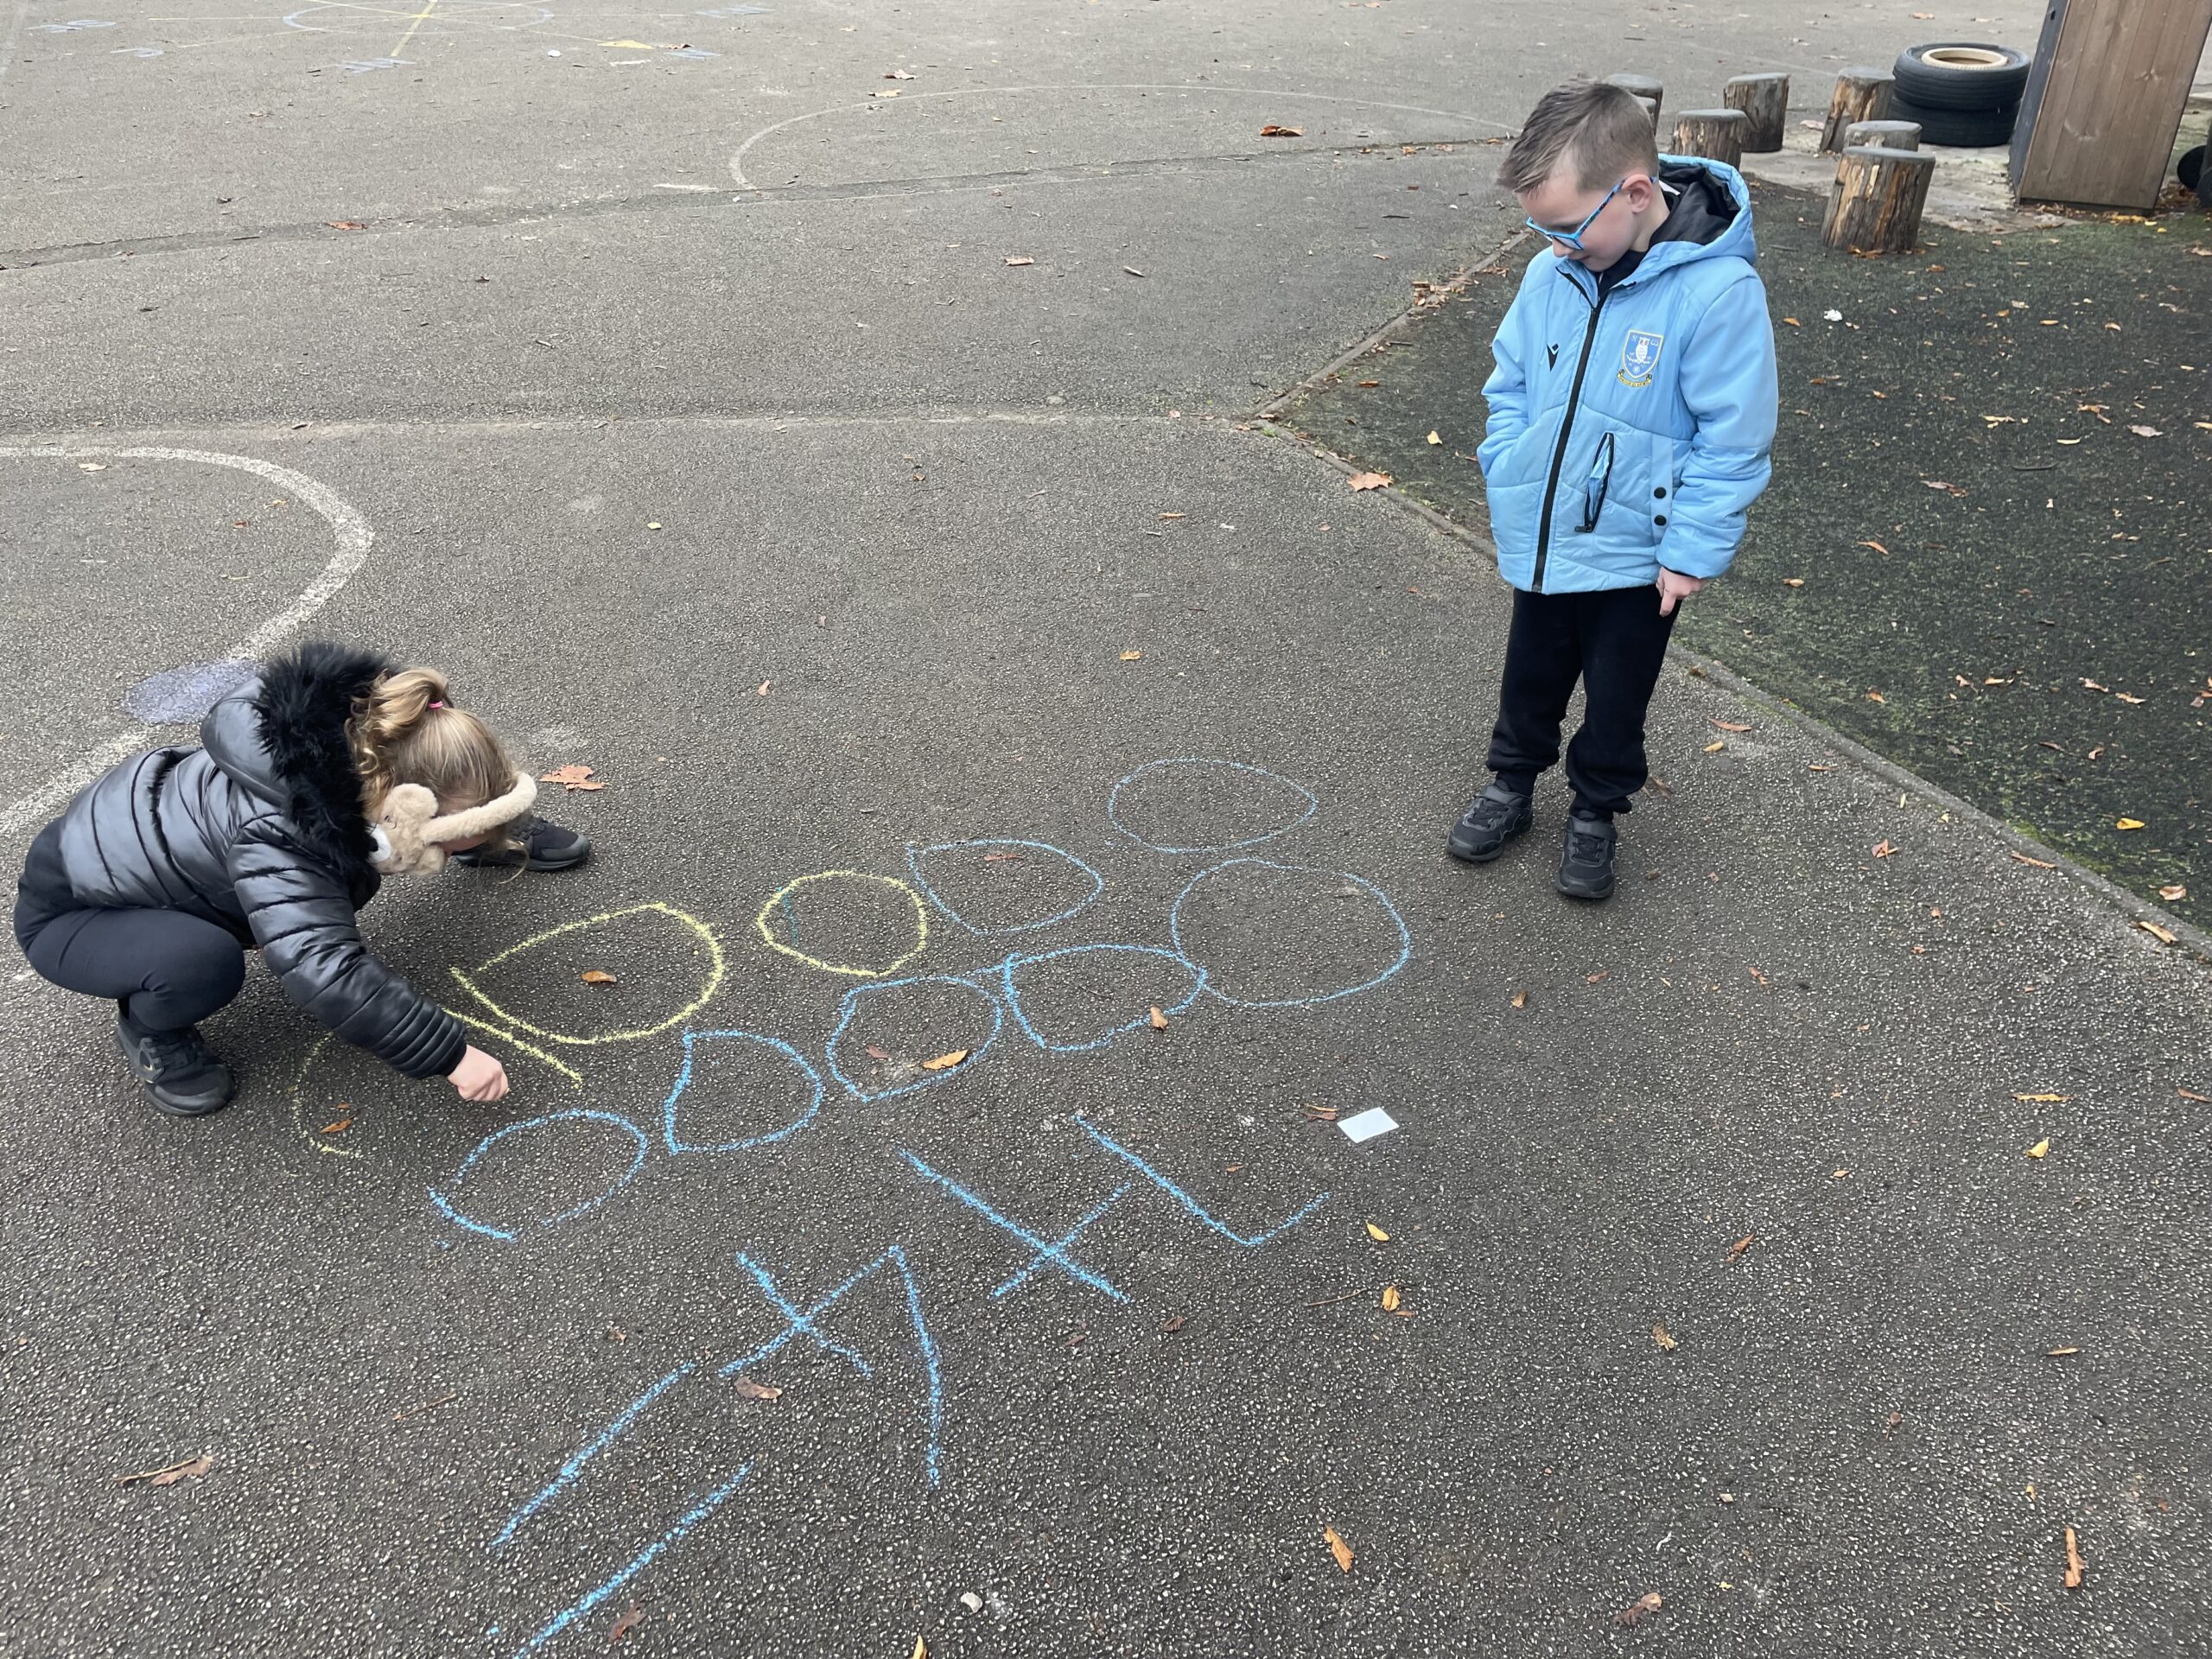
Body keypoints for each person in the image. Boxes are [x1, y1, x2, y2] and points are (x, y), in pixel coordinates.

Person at [11, 641, 591, 1116]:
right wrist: (452, 1054)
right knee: (200, 963)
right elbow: (325, 969)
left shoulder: (372, 741)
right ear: (403, 813)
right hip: (77, 915)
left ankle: (469, 839)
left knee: (431, 819)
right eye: (474, 825)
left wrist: (490, 826)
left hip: (164, 859)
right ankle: (152, 1031)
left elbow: (461, 776)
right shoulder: (283, 838)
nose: (487, 819)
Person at [1450, 79, 1778, 900]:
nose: (1551, 243)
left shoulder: (1718, 293)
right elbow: (1512, 381)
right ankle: (1511, 783)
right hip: (1549, 524)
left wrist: (1692, 550)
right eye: (1538, 227)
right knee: (1533, 667)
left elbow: (1733, 440)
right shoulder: (1551, 272)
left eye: (1564, 226)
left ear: (1636, 194)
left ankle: (1596, 810)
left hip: (1642, 550)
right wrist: (1508, 459)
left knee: (1619, 688)